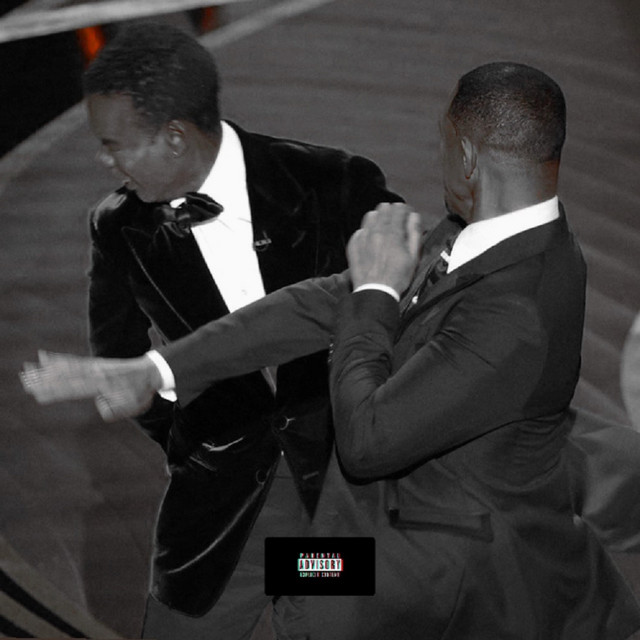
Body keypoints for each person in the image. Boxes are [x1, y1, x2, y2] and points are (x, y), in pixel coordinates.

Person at [23, 62, 640, 638]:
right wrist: (157, 367)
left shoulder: (520, 309)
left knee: (293, 612)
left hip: (421, 571)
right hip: (366, 535)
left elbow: (368, 440)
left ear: (469, 156)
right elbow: (320, 303)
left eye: (443, 141)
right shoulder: (478, 234)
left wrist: (375, 291)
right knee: (259, 575)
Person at [62, 20, 400, 640]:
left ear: (173, 137)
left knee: (323, 624)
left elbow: (411, 313)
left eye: (114, 145)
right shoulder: (116, 226)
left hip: (337, 500)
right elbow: (118, 354)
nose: (103, 161)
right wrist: (192, 437)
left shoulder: (334, 181)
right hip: (218, 515)